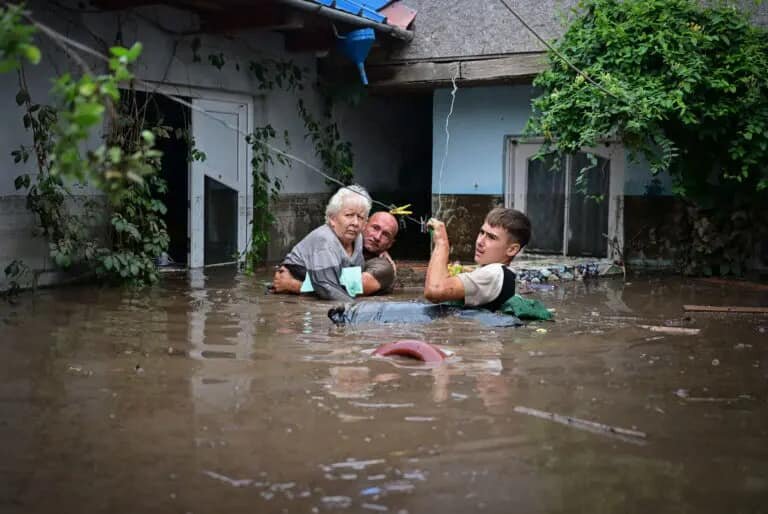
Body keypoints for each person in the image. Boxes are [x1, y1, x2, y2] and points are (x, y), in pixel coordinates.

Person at [276, 185, 371, 302]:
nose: (355, 222)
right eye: (349, 215)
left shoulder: (358, 239)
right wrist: (358, 310)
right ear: (332, 218)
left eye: (360, 217)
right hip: (296, 283)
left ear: (365, 223)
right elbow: (327, 288)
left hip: (320, 285)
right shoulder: (325, 239)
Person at [424, 207, 531, 311]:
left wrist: (442, 242)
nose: (480, 241)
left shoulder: (494, 272)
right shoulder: (503, 274)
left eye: (491, 237)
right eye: (482, 232)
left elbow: (435, 290)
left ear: (512, 249)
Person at [273, 210, 399, 297]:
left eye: (385, 235)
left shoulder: (383, 267)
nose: (377, 237)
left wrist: (293, 285)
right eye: (375, 228)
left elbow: (348, 290)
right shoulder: (344, 242)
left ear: (390, 244)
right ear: (364, 225)